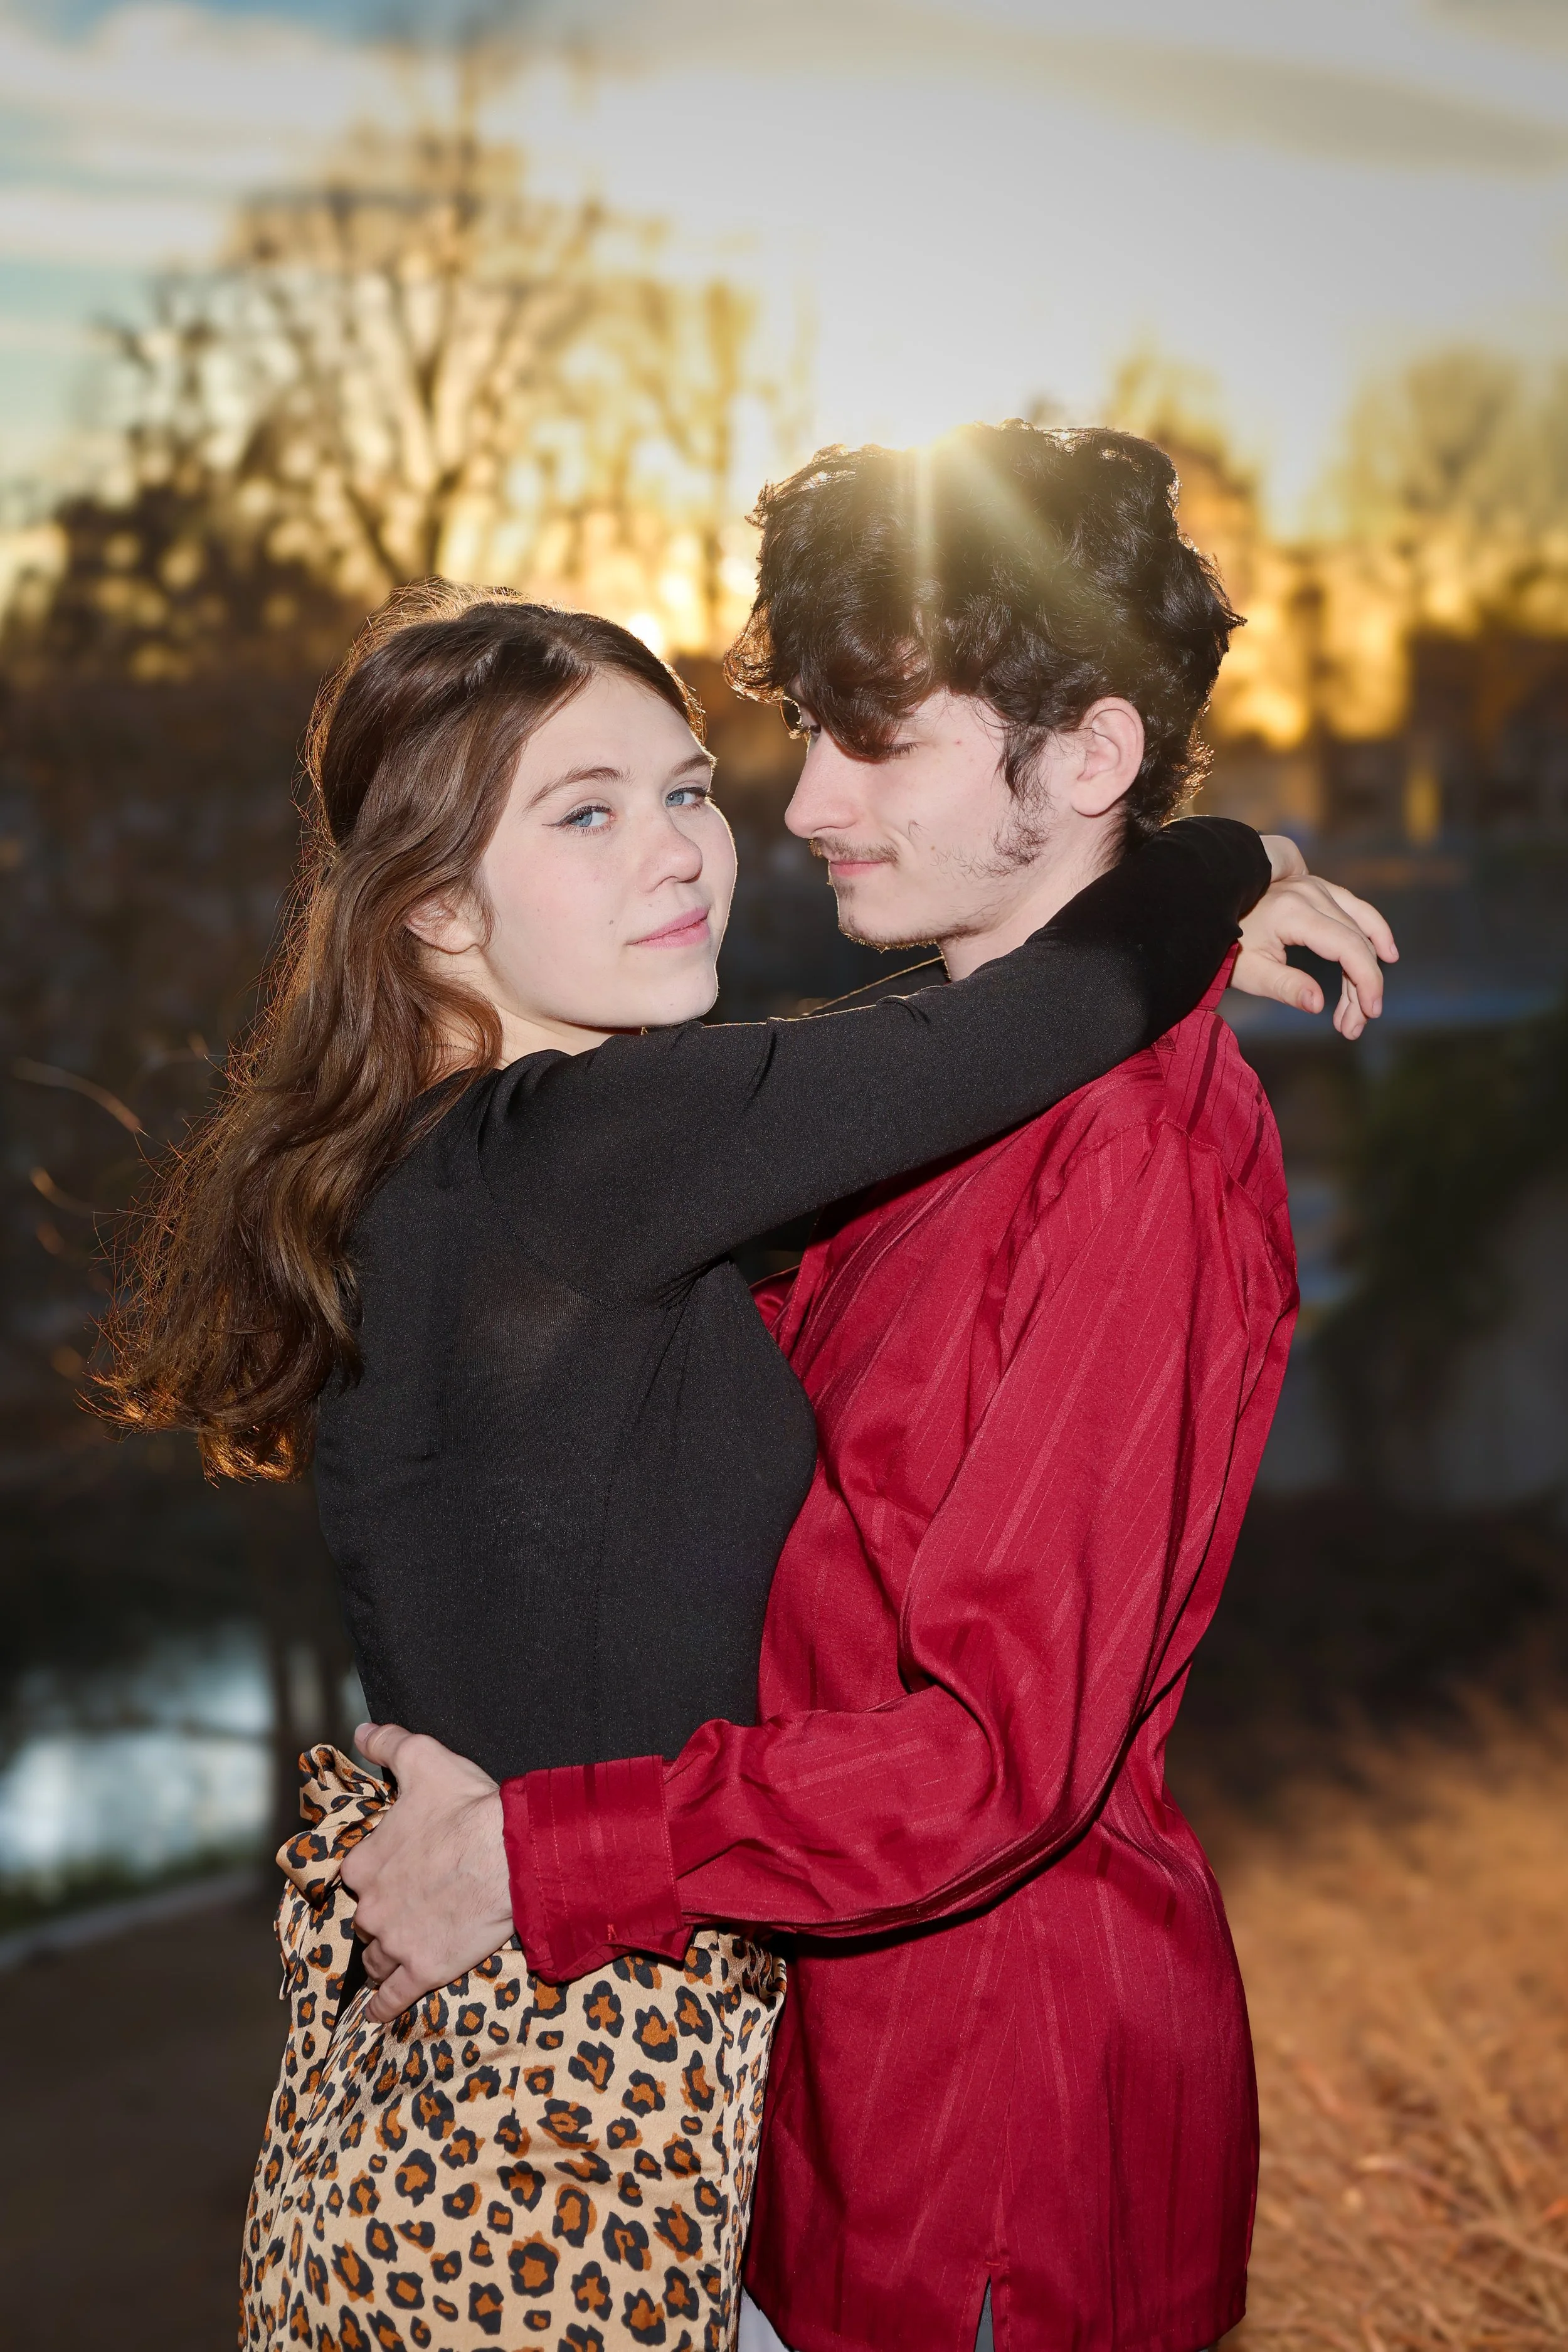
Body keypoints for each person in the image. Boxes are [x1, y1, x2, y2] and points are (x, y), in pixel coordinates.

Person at [326, 430, 1397, 2352]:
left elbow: (988, 1759)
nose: (802, 801)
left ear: (1084, 758)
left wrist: (536, 1856)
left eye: (878, 741)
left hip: (981, 2171)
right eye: (806, 731)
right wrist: (1205, 881)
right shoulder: (904, 1120)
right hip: (792, 2119)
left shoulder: (1120, 1167)